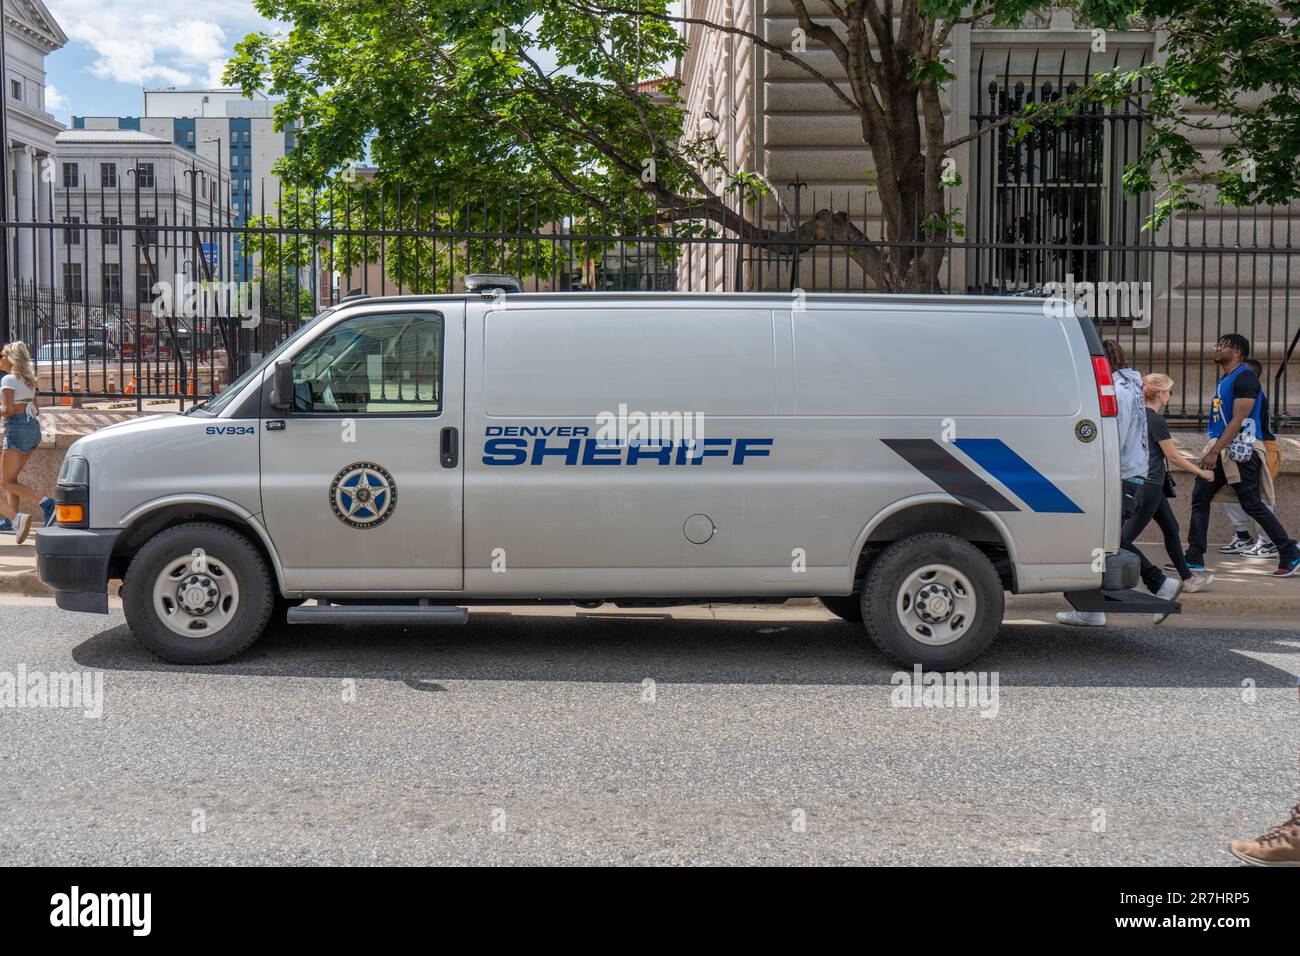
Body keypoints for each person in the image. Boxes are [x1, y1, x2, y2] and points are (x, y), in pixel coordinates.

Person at [1059, 373, 1212, 627]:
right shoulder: (1154, 420)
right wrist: (1201, 472)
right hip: (1150, 484)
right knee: (1120, 540)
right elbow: (1173, 457)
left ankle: (1183, 580)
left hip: (1149, 483)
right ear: (1161, 393)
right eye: (1169, 391)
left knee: (1170, 529)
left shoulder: (1141, 415)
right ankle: (1164, 582)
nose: (1170, 396)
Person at [1183, 334, 1299, 578]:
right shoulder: (1227, 379)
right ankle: (1194, 557)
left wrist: (1214, 451)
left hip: (1239, 450)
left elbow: (1239, 419)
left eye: (1222, 346)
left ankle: (1289, 551)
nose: (1217, 348)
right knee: (1200, 497)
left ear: (1236, 351)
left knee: (1251, 503)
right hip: (1225, 448)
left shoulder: (1244, 378)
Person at [1056, 339, 1147, 627]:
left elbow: (1112, 438)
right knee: (1105, 540)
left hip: (1120, 473)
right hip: (1133, 471)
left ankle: (1093, 609)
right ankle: (1095, 607)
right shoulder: (1131, 386)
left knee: (1095, 542)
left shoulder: (1118, 392)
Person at [1218, 358, 1280, 558]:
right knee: (1232, 491)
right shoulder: (1233, 391)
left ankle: (1268, 542)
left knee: (1259, 495)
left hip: (1260, 446)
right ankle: (1243, 535)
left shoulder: (1249, 392)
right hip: (1238, 446)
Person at [0, 342, 54, 544]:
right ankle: (12, 519)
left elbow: (7, 411)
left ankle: (46, 503)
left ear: (10, 357)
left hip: (16, 430)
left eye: (2, 355)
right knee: (12, 481)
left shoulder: (8, 379)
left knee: (6, 482)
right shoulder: (28, 380)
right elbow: (36, 410)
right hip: (32, 430)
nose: (0, 358)